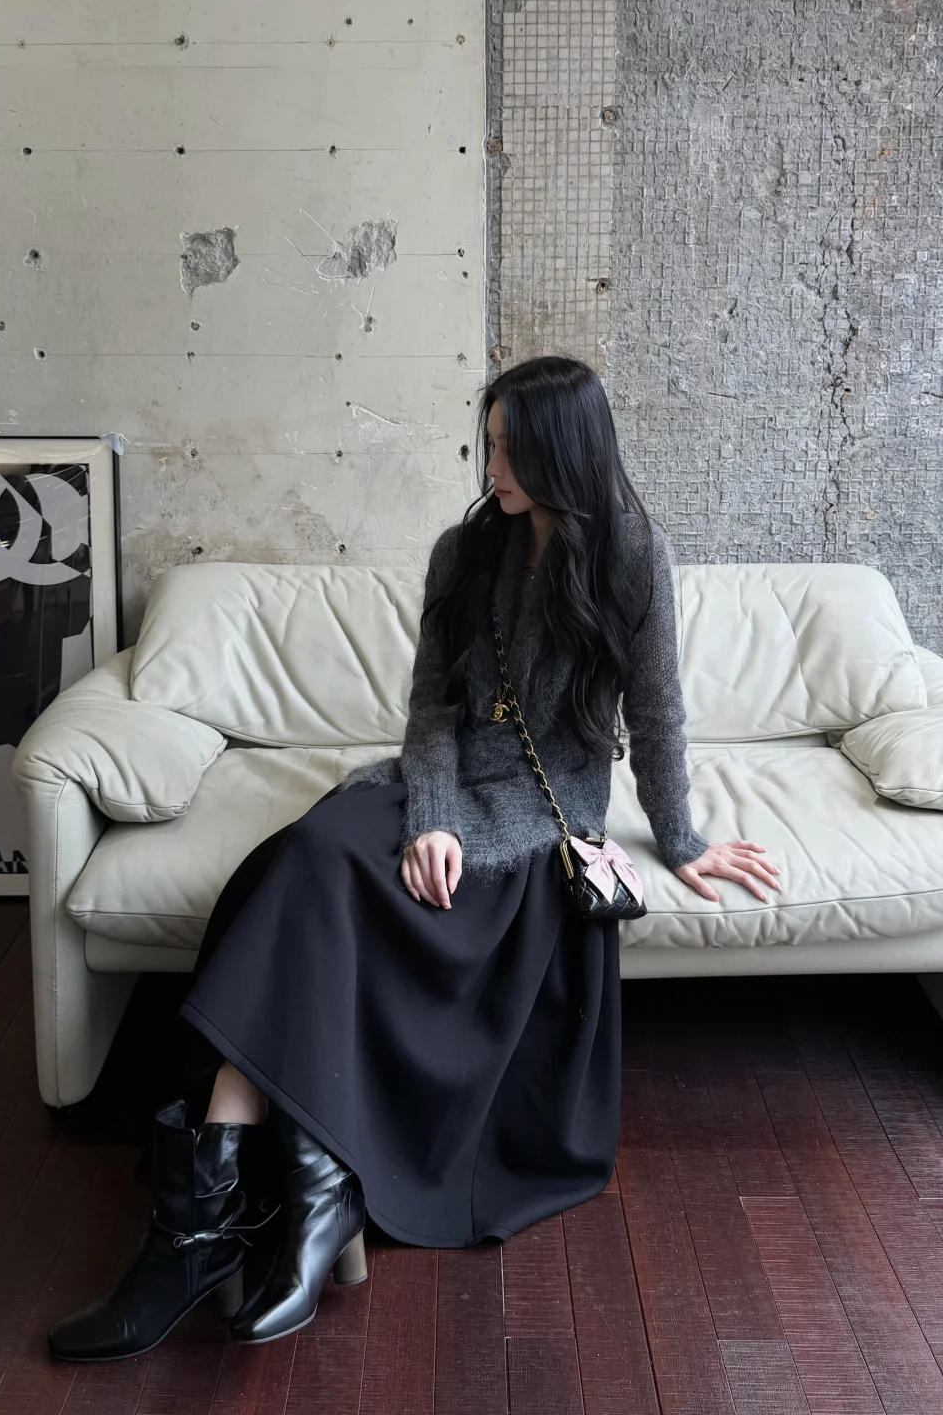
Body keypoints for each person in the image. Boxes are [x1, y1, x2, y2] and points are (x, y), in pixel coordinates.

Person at [47, 355, 781, 1363]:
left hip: (537, 815)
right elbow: (431, 712)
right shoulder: (464, 553)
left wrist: (684, 840)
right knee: (308, 856)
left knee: (321, 880)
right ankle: (282, 1204)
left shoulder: (632, 558)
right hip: (432, 788)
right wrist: (430, 817)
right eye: (489, 445)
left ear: (565, 451)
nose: (492, 468)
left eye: (510, 450)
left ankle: (211, 1231)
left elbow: (657, 720)